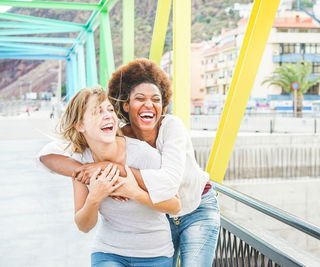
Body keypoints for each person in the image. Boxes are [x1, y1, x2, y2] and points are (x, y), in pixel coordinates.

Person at [38, 86, 180, 267]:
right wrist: (94, 198)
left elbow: (175, 205)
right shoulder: (83, 162)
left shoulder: (143, 154)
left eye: (110, 110)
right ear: (80, 125)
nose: (108, 115)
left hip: (155, 254)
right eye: (97, 111)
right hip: (108, 252)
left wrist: (134, 192)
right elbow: (84, 226)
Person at [104, 58, 220, 267]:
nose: (149, 104)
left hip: (197, 209)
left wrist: (120, 171)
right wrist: (91, 169)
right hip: (159, 217)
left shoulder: (172, 127)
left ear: (162, 104)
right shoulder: (118, 137)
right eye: (140, 98)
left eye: (156, 99)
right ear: (126, 105)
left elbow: (168, 183)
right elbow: (58, 152)